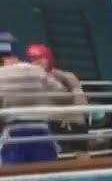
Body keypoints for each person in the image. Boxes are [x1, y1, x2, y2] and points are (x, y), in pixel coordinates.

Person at [0, 32, 85, 165]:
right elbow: (62, 96)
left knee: (14, 175)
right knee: (47, 173)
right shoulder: (37, 71)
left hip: (14, 133)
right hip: (42, 131)